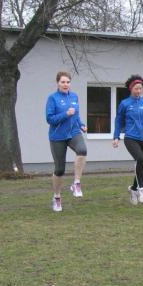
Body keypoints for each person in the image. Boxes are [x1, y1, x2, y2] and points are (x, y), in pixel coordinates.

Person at [112, 74, 143, 205]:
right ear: (131, 89)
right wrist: (116, 137)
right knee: (140, 159)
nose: (139, 91)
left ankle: (133, 189)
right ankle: (141, 189)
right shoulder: (125, 104)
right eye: (136, 89)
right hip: (131, 137)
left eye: (140, 88)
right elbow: (118, 121)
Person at [45, 70, 87, 212]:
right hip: (58, 136)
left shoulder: (74, 96)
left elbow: (76, 115)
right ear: (57, 83)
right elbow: (49, 119)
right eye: (63, 82)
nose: (65, 84)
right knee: (59, 170)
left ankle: (76, 183)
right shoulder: (53, 98)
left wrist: (81, 125)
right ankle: (57, 197)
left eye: (68, 82)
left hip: (73, 132)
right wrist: (65, 114)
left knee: (82, 150)